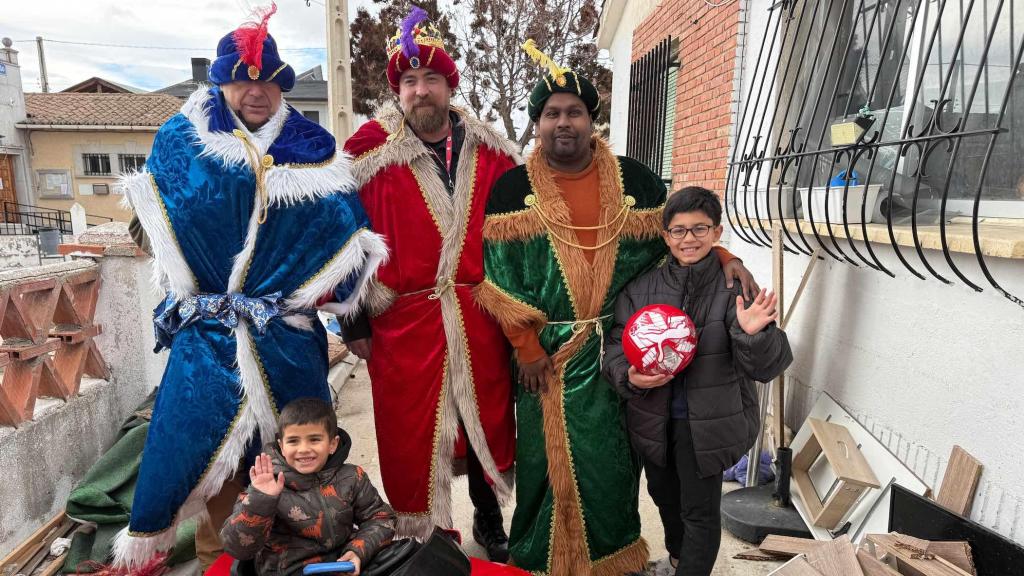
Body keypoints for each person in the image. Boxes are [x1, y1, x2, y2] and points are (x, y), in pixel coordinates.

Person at [117, 4, 386, 568]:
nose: (256, 91)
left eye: (267, 81)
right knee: (206, 462)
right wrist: (182, 268)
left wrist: (314, 285)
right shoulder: (183, 141)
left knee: (299, 457)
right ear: (221, 82)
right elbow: (153, 225)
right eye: (242, 80)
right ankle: (222, 560)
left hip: (284, 336)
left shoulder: (313, 148)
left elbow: (344, 233)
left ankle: (294, 557)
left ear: (281, 85)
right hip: (208, 336)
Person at [475, 44, 758, 576]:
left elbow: (677, 244)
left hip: (616, 350)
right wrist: (526, 346)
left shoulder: (638, 183)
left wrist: (723, 255)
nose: (563, 122)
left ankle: (612, 558)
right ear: (537, 124)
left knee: (611, 463)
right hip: (546, 359)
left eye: (574, 112)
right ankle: (541, 558)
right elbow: (500, 279)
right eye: (551, 113)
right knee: (542, 462)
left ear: (592, 120)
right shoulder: (512, 191)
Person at [338, 7, 517, 560]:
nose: (420, 90)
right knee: (412, 433)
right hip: (402, 322)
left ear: (449, 84)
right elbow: (342, 242)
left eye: (431, 78)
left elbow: (518, 234)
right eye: (410, 80)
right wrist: (353, 320)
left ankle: (489, 518)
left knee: (483, 418)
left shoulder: (492, 153)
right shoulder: (366, 154)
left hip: (478, 313)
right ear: (398, 90)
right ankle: (427, 535)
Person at [603, 187, 793, 576]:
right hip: (654, 419)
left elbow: (767, 366)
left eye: (700, 228)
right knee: (664, 497)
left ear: (717, 232)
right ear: (666, 235)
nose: (688, 239)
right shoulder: (641, 289)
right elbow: (616, 348)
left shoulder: (735, 289)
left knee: (699, 512)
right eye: (679, 230)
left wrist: (754, 335)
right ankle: (677, 559)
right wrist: (629, 375)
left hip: (706, 423)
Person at [221, 398, 396, 576]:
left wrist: (358, 551)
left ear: (332, 444)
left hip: (346, 565)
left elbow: (381, 518)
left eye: (314, 439)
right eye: (293, 441)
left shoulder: (352, 477)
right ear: (282, 446)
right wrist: (261, 501)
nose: (303, 449)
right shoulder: (267, 485)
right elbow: (238, 549)